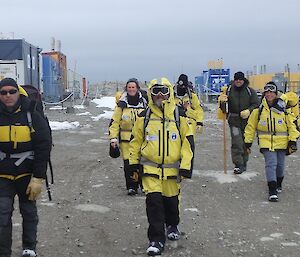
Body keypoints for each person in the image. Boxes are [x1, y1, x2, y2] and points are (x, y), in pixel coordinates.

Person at [129, 77, 194, 256]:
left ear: (170, 93)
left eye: (164, 91)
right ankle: (156, 239)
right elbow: (135, 143)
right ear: (150, 93)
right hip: (150, 170)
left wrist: (186, 167)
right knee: (154, 204)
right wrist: (133, 166)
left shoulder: (179, 116)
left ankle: (172, 224)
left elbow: (187, 143)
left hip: (172, 170)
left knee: (171, 203)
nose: (160, 95)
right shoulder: (144, 117)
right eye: (156, 91)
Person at [0, 78, 51, 257]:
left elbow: (44, 145)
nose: (7, 96)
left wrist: (38, 177)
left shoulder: (31, 113)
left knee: (29, 212)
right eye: (3, 92)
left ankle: (29, 247)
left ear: (18, 92)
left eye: (11, 91)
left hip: (27, 174)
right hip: (3, 175)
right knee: (2, 215)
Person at [244, 81, 299, 202]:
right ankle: (272, 189)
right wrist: (247, 142)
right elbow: (251, 127)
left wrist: (292, 140)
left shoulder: (284, 109)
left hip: (282, 141)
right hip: (266, 141)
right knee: (271, 163)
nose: (269, 94)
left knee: (280, 166)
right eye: (267, 92)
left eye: (271, 92)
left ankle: (279, 182)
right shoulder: (259, 110)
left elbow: (292, 125)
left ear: (275, 93)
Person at [109, 78, 148, 195]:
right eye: (129, 87)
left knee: (143, 162)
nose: (131, 89)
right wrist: (113, 138)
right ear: (126, 89)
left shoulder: (145, 103)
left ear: (137, 88)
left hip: (142, 138)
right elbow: (114, 122)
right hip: (126, 139)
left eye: (133, 87)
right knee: (129, 163)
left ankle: (144, 185)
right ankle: (132, 186)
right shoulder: (121, 105)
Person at [218, 71, 259, 174]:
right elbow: (224, 109)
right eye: (236, 79)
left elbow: (256, 104)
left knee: (246, 142)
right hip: (234, 121)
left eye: (240, 79)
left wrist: (249, 110)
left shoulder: (250, 91)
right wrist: (222, 102)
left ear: (243, 80)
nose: (238, 81)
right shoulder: (229, 91)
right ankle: (238, 164)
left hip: (247, 122)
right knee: (237, 142)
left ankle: (244, 163)